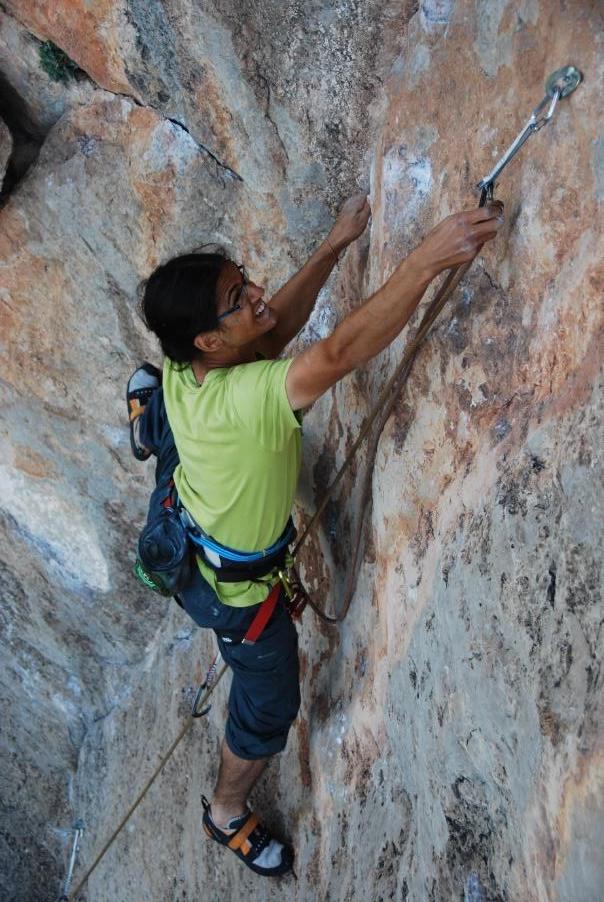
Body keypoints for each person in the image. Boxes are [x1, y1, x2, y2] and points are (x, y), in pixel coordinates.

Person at [126, 193, 504, 877]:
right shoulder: (247, 400)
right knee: (268, 705)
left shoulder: (193, 362)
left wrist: (334, 247)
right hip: (234, 593)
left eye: (244, 278)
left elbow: (269, 332)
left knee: (171, 429)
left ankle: (147, 412)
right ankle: (225, 812)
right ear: (210, 340)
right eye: (239, 295)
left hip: (183, 494)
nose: (258, 293)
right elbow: (334, 353)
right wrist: (425, 261)